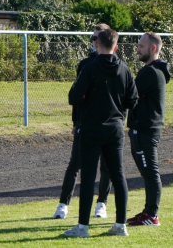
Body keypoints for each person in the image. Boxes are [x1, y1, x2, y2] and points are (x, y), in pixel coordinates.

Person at [64, 29, 138, 237]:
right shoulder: (124, 68)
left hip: (91, 128)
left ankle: (83, 227)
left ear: (97, 44)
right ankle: (120, 224)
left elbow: (74, 96)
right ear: (116, 46)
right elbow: (132, 100)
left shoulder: (90, 68)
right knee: (118, 174)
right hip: (115, 128)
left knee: (88, 176)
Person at [53, 24, 112, 220]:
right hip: (85, 124)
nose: (94, 42)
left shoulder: (116, 64)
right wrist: (75, 123)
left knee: (106, 166)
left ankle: (102, 203)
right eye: (92, 38)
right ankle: (63, 204)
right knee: (75, 163)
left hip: (108, 125)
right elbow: (76, 97)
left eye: (98, 38)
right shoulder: (85, 64)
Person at [127, 32, 171, 226]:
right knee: (147, 172)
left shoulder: (151, 72)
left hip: (146, 130)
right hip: (144, 129)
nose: (138, 48)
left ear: (153, 48)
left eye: (141, 46)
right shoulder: (154, 71)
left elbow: (130, 95)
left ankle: (152, 215)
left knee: (151, 172)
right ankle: (148, 211)